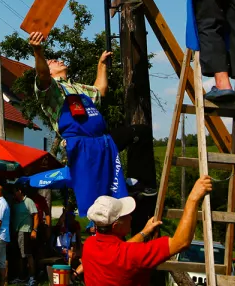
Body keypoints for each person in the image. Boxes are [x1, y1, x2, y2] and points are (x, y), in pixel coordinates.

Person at [30, 31, 133, 215]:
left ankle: (132, 185)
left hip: (102, 141)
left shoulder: (77, 88)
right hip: (80, 146)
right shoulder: (51, 90)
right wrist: (38, 51)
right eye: (52, 61)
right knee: (94, 196)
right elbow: (43, 75)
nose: (57, 60)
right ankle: (97, 229)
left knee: (136, 132)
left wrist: (101, 66)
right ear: (49, 70)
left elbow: (100, 91)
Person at [82, 176, 212, 286]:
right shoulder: (131, 255)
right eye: (126, 215)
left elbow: (121, 251)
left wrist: (144, 232)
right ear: (115, 226)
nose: (131, 217)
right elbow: (181, 242)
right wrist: (193, 198)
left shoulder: (89, 245)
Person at [9, 184, 39, 286]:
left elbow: (36, 215)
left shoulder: (28, 201)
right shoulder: (15, 203)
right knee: (20, 256)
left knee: (27, 255)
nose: (14, 194)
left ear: (20, 191)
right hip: (16, 231)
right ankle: (22, 276)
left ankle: (32, 277)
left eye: (15, 191)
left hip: (25, 231)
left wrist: (34, 230)